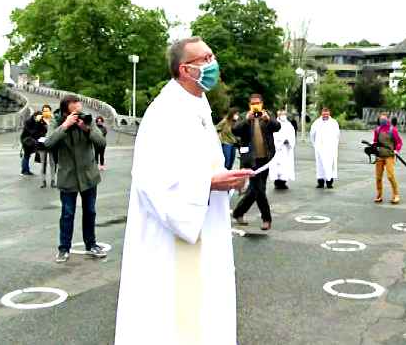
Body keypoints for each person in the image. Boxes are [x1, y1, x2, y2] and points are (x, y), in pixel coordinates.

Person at [114, 37, 253, 345]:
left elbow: (202, 164)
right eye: (205, 59)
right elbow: (151, 181)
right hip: (178, 235)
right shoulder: (165, 111)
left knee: (205, 311)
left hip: (206, 223)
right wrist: (210, 183)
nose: (213, 63)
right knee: (180, 318)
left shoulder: (197, 103)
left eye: (211, 55)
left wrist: (227, 179)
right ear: (185, 70)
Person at [44, 94, 108, 263]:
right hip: (68, 176)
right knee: (67, 214)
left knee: (90, 212)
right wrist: (65, 126)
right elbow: (48, 143)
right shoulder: (56, 122)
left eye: (79, 109)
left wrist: (86, 129)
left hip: (89, 175)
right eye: (74, 111)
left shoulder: (87, 120)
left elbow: (101, 143)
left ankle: (91, 244)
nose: (79, 113)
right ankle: (64, 248)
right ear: (66, 111)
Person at [231, 93, 281, 230]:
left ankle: (238, 212)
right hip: (251, 160)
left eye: (257, 103)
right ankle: (267, 219)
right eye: (253, 103)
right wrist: (246, 120)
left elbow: (277, 127)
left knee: (256, 190)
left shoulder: (267, 114)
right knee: (258, 189)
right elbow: (235, 130)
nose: (255, 106)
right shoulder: (245, 116)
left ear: (262, 103)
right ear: (249, 105)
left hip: (265, 159)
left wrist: (268, 120)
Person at [373, 112, 403, 204]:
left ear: (388, 119)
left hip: (389, 155)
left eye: (384, 119)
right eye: (381, 119)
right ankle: (379, 195)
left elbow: (399, 142)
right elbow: (375, 141)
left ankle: (396, 195)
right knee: (378, 177)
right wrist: (373, 146)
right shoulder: (377, 130)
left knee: (390, 176)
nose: (382, 121)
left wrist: (397, 150)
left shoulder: (392, 130)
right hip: (379, 156)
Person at [310, 108, 340, 188]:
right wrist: (315, 145)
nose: (325, 115)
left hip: (330, 148)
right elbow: (312, 135)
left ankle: (329, 182)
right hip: (320, 148)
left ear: (329, 113)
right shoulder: (316, 123)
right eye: (324, 113)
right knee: (320, 166)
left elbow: (337, 135)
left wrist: (334, 145)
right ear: (321, 113)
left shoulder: (334, 123)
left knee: (330, 165)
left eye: (327, 113)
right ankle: (320, 182)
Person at [270, 109, 296, 189]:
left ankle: (283, 182)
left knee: (285, 165)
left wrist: (288, 141)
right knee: (277, 166)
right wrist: (281, 141)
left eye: (284, 114)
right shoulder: (274, 124)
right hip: (277, 149)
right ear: (278, 115)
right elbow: (273, 135)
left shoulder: (289, 125)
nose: (283, 116)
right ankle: (277, 182)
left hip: (286, 149)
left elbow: (292, 135)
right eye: (281, 114)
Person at [19, 111, 47, 176]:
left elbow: (44, 130)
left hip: (35, 140)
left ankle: (27, 170)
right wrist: (39, 132)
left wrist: (43, 127)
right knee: (27, 154)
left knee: (36, 153)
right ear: (34, 116)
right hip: (27, 140)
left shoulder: (40, 122)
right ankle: (25, 170)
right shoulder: (28, 122)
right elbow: (30, 131)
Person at [39, 105, 57, 188]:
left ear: (50, 111)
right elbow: (35, 132)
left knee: (52, 163)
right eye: (44, 110)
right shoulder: (39, 120)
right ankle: (43, 181)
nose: (45, 112)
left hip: (52, 144)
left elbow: (57, 131)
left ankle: (53, 180)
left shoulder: (54, 121)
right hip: (41, 145)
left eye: (47, 110)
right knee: (43, 164)